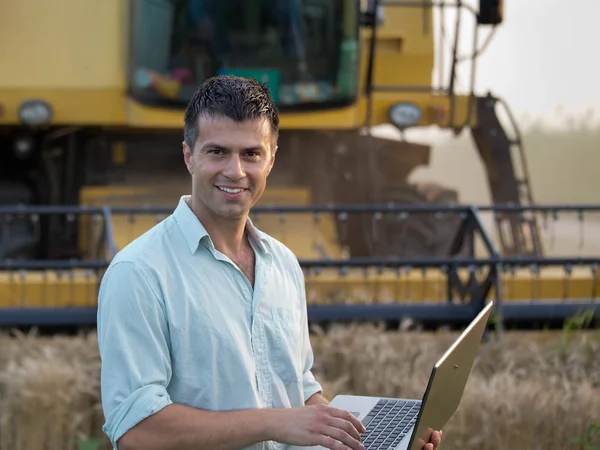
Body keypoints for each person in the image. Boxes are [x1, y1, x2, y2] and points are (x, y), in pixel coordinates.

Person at [97, 75, 443, 450]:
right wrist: (276, 423)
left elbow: (300, 390)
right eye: (217, 152)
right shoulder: (139, 273)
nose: (236, 171)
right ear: (188, 156)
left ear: (271, 159)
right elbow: (137, 431)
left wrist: (353, 438)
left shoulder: (284, 265)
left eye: (251, 154)